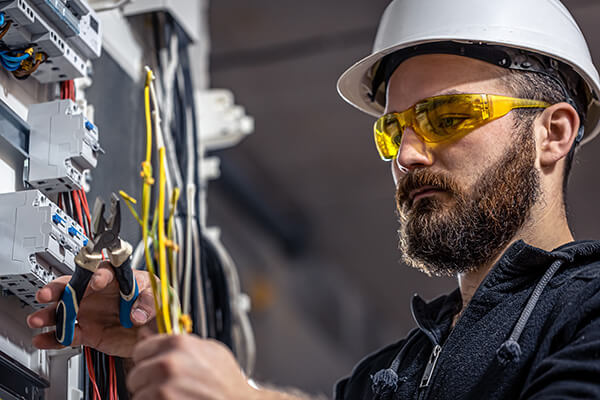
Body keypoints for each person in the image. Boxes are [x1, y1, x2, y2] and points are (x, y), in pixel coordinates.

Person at [27, 0, 600, 398]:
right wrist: (146, 359)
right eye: (393, 129)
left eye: (448, 116)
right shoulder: (389, 376)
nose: (408, 155)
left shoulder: (586, 314)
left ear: (553, 133)